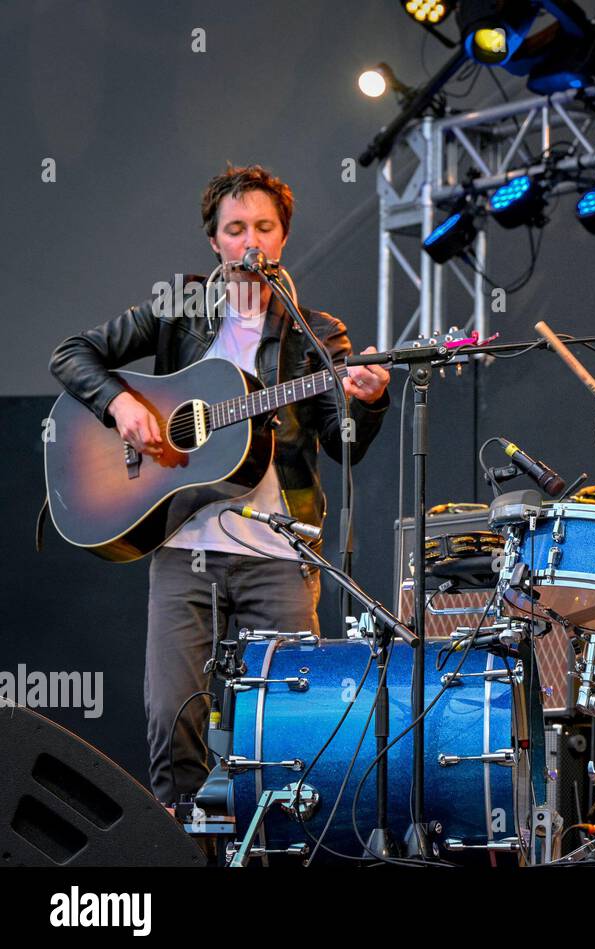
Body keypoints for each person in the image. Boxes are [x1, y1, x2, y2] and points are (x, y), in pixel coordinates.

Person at [49, 164, 391, 804]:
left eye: (264, 226)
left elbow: (346, 447)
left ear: (283, 236)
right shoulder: (180, 306)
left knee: (289, 728)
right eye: (236, 229)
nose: (250, 241)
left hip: (281, 556)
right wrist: (121, 407)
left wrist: (368, 400)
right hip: (186, 547)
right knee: (174, 720)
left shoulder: (317, 333)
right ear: (215, 240)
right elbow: (71, 354)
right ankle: (182, 848)